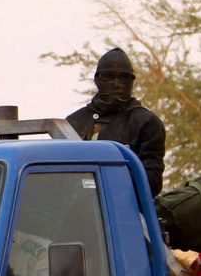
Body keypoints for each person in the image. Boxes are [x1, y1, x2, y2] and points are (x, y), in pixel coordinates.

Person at [66, 46, 167, 196]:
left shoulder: (147, 123)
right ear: (97, 79)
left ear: (132, 81)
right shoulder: (73, 122)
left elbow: (151, 182)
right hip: (75, 208)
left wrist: (103, 182)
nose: (116, 82)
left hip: (123, 211)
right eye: (109, 76)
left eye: (123, 77)